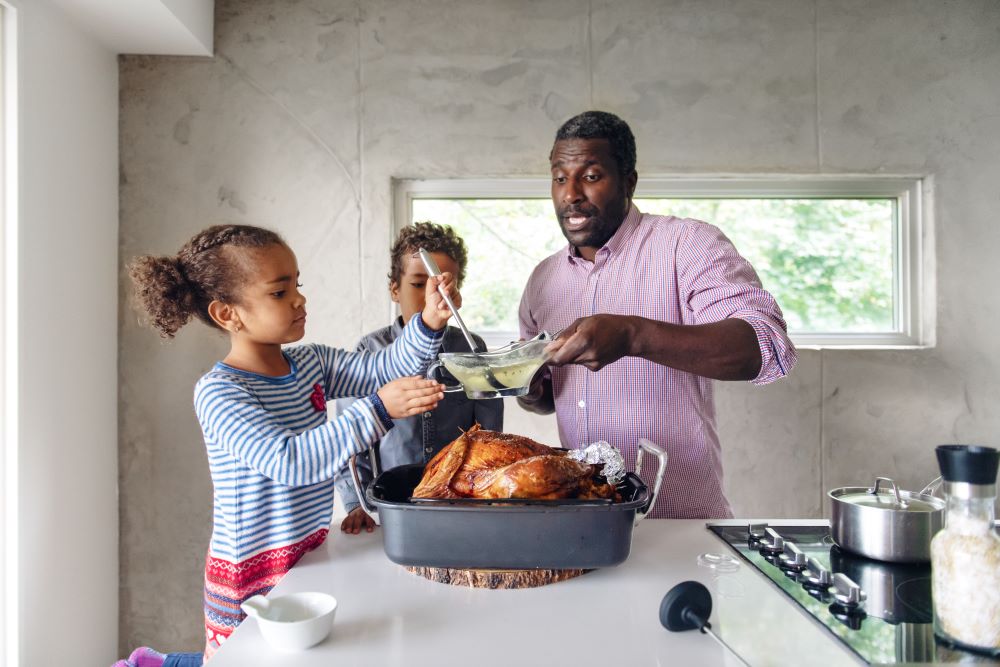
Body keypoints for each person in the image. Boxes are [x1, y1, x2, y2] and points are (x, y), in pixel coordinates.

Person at [119, 224, 457, 664]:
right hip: (250, 576)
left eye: (297, 285)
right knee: (242, 659)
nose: (299, 299)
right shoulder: (220, 392)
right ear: (228, 314)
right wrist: (378, 409)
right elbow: (290, 461)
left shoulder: (310, 363)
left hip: (305, 557)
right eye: (279, 293)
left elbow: (382, 368)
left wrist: (429, 320)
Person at [518, 111, 797, 519]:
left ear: (628, 181)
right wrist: (529, 388)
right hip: (582, 524)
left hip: (680, 524)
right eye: (560, 178)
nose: (571, 194)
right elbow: (543, 399)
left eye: (591, 176)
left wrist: (632, 335)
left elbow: (765, 346)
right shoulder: (542, 280)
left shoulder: (688, 244)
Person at [334, 222, 503, 534]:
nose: (430, 296)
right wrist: (356, 503)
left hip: (459, 502)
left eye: (440, 286)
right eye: (417, 284)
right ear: (394, 289)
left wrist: (484, 493)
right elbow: (350, 442)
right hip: (392, 508)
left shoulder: (472, 348)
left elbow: (488, 435)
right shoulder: (370, 351)